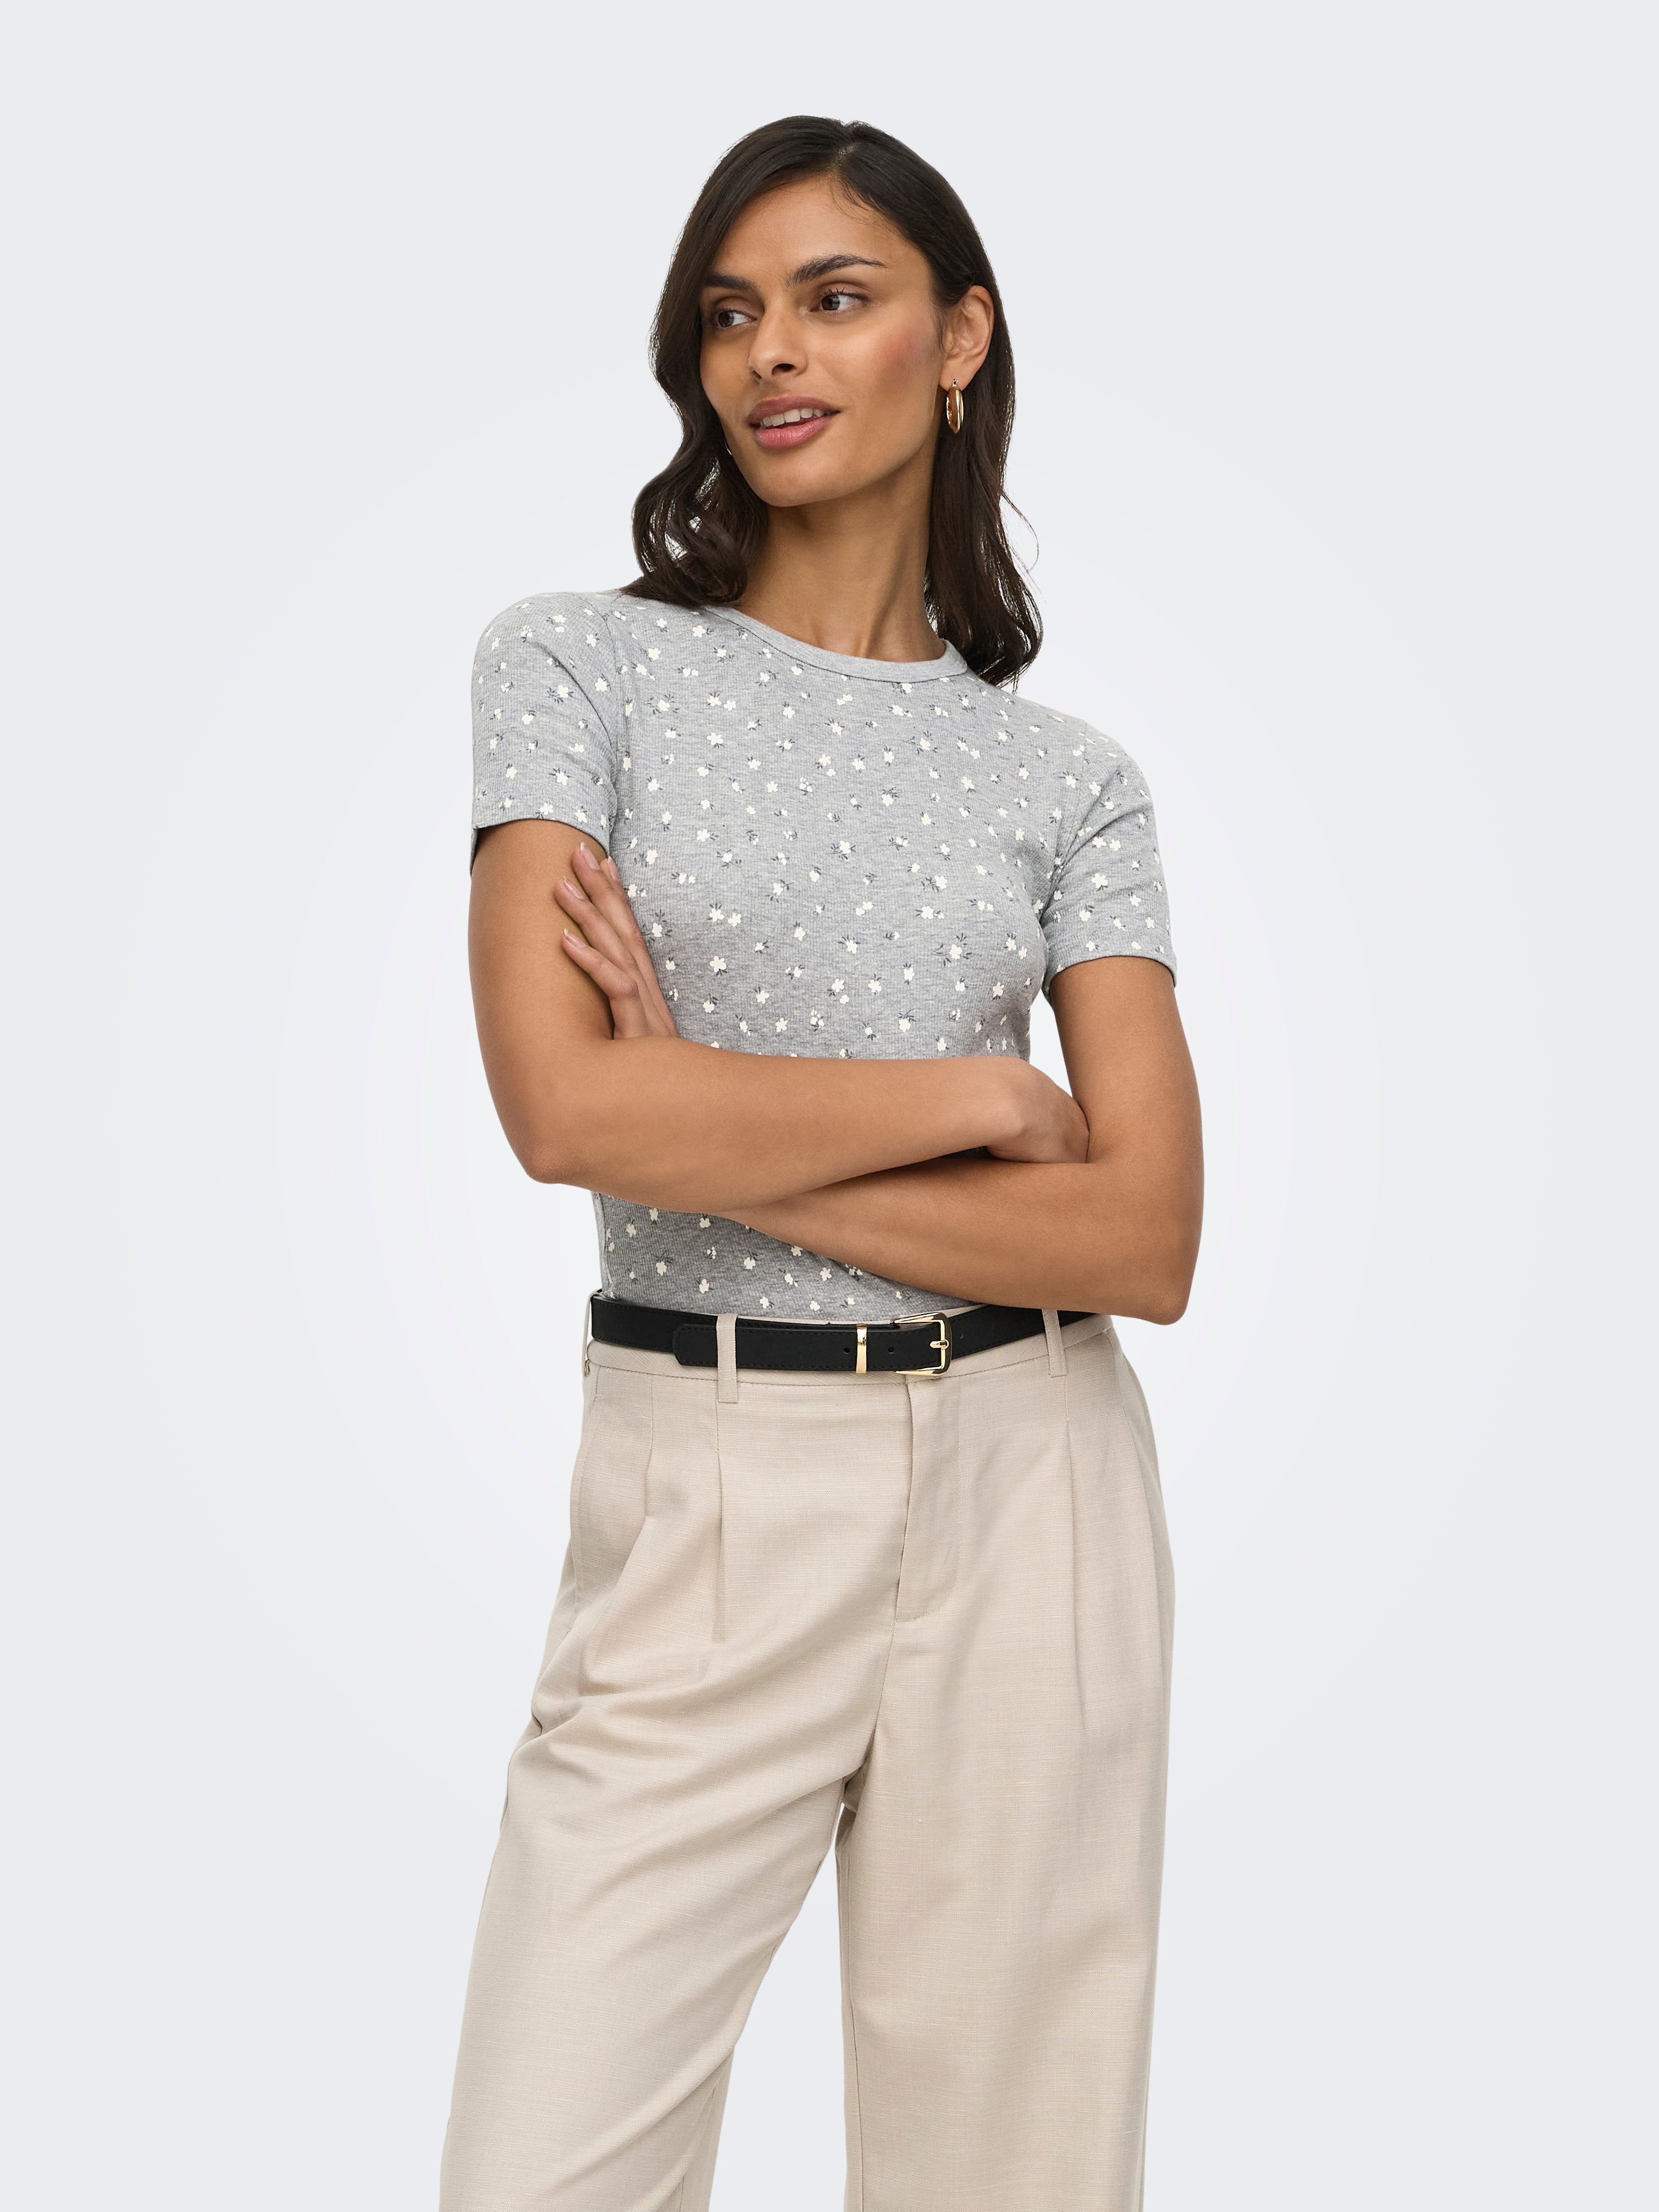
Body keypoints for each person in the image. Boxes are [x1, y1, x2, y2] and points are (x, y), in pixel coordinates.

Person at [442, 114, 1202, 2212]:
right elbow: (566, 1112)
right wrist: (977, 1103)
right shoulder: (575, 668)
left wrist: (708, 1099)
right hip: (705, 1481)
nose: (770, 352)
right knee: (540, 2167)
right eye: (730, 313)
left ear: (960, 340)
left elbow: (1143, 1234)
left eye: (834, 299)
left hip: (1034, 1484)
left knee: (1011, 2174)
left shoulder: (1069, 780)